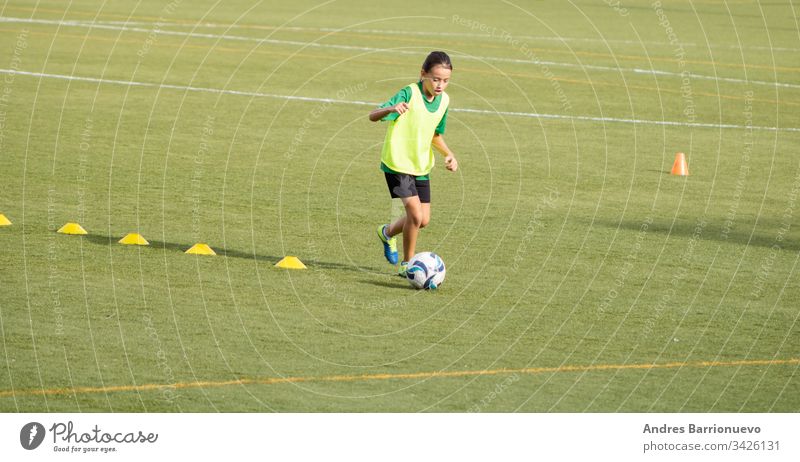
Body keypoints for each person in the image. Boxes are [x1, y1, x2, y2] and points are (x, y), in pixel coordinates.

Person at [369, 51, 459, 277]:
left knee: (423, 220)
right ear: (423, 74)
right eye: (435, 79)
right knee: (415, 216)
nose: (440, 85)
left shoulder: (444, 101)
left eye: (445, 80)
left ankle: (387, 232)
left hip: (420, 165)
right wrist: (390, 109)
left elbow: (435, 135)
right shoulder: (409, 93)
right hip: (397, 164)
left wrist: (449, 154)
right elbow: (372, 115)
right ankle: (408, 265)